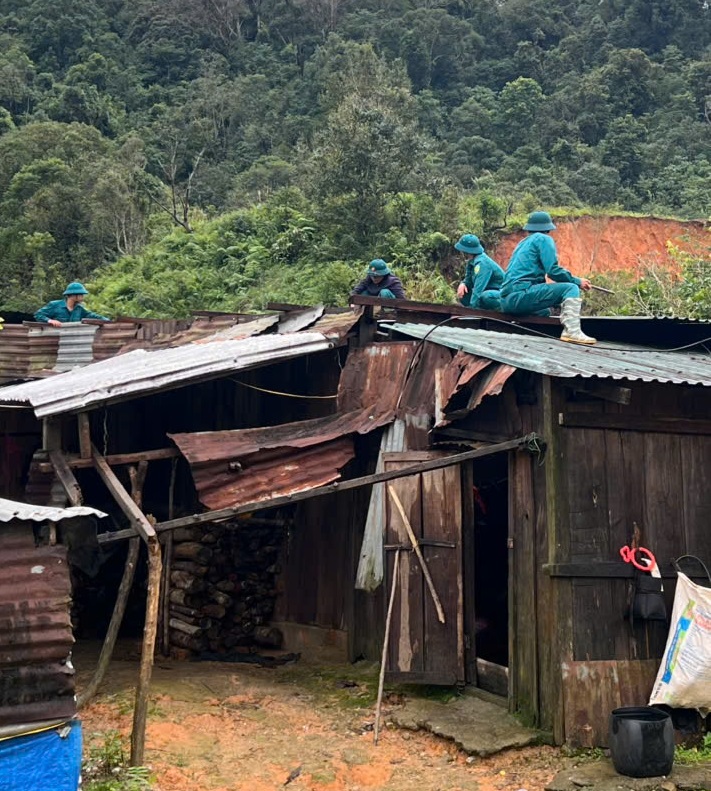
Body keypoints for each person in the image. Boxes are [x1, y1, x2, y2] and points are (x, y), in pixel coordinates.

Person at [500, 211, 596, 344]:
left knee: (544, 311)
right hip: (520, 296)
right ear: (548, 228)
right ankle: (572, 332)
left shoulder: (523, 243)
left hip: (506, 302)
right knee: (571, 288)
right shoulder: (543, 239)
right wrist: (577, 281)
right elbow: (553, 271)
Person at [454, 234, 504, 311]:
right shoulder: (471, 262)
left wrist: (472, 309)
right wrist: (463, 283)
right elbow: (468, 279)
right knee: (464, 293)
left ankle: (496, 311)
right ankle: (481, 310)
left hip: (500, 293)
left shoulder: (483, 263)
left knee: (486, 296)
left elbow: (479, 287)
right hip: (486, 291)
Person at [34, 282, 110, 327]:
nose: (83, 297)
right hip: (55, 339)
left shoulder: (79, 309)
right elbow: (38, 314)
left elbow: (93, 316)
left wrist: (109, 321)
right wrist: (50, 320)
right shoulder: (55, 305)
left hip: (72, 339)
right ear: (74, 295)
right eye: (81, 295)